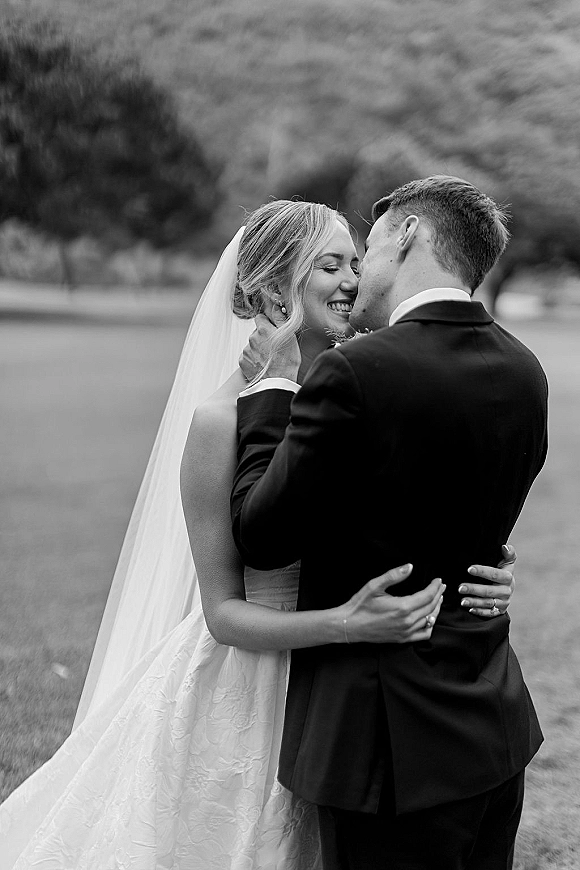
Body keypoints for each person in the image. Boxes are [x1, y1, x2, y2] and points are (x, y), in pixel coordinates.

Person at [0, 199, 517, 870]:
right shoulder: (219, 421)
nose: (353, 280)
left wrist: (493, 561)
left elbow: (418, 513)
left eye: (357, 262)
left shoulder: (368, 383)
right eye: (330, 265)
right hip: (252, 693)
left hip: (358, 693)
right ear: (274, 289)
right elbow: (223, 615)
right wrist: (344, 624)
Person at [231, 183, 548, 870]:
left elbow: (262, 539)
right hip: (492, 721)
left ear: (404, 238)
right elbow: (461, 515)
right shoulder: (525, 370)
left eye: (365, 250)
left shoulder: (356, 371)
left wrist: (268, 397)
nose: (355, 275)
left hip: (388, 743)